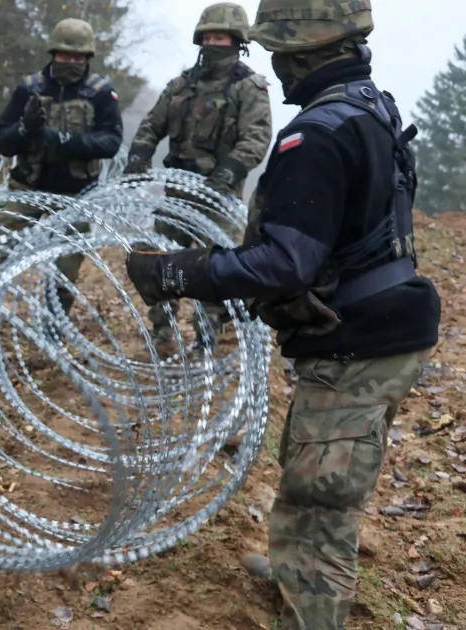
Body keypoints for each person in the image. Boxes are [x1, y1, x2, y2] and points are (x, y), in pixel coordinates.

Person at [124, 1, 441, 628]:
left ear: (302, 52)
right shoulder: (369, 106)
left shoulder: (317, 133)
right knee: (311, 466)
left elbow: (284, 264)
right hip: (371, 322)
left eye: (278, 53)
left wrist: (178, 272)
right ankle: (296, 565)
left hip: (358, 335)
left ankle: (312, 602)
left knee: (323, 496)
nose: (275, 66)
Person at [123, 2, 273, 354]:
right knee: (155, 260)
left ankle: (207, 337)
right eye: (207, 36)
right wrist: (139, 154)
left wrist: (230, 170)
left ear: (236, 42)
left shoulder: (249, 87)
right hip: (176, 192)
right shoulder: (180, 85)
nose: (212, 43)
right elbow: (152, 124)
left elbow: (257, 137)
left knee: (213, 270)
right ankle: (163, 331)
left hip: (217, 195)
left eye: (220, 37)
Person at [0, 17, 122, 317]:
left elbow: (111, 140)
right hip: (27, 187)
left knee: (66, 267)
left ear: (87, 58)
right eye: (64, 56)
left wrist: (63, 139)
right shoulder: (30, 88)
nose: (71, 62)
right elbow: (3, 141)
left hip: (76, 194)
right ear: (53, 54)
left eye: (78, 57)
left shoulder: (100, 92)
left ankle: (54, 320)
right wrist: (26, 128)